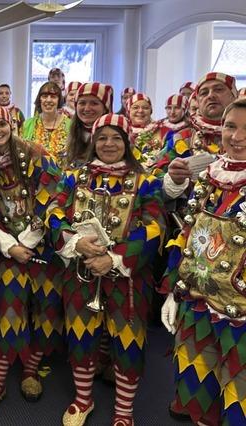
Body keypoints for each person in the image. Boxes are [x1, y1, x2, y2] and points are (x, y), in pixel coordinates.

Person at [48, 113, 166, 426]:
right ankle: (83, 400)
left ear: (127, 142)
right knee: (81, 337)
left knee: (128, 343)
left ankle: (124, 412)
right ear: (93, 141)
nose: (109, 144)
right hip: (81, 273)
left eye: (116, 138)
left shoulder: (147, 181)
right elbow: (54, 212)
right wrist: (74, 242)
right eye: (102, 138)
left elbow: (156, 227)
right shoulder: (75, 176)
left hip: (128, 280)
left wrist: (114, 258)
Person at [160, 98, 246, 425]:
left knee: (238, 402)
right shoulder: (211, 175)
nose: (236, 137)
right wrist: (173, 289)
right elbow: (190, 234)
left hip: (241, 317)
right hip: (197, 307)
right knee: (199, 393)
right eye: (230, 126)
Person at [0, 105, 63, 414]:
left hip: (43, 247)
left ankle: (30, 370)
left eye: (1, 123)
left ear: (12, 124)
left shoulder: (36, 152)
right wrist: (10, 246)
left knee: (47, 309)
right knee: (9, 310)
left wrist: (29, 241)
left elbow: (51, 199)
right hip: (10, 249)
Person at [157, 72, 237, 198]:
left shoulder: (242, 137)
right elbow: (154, 182)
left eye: (218, 89)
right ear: (198, 101)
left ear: (234, 97)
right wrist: (173, 180)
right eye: (204, 93)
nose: (211, 95)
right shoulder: (182, 138)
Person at [21, 82, 71, 167]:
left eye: (53, 97)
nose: (48, 100)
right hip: (33, 178)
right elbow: (21, 153)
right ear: (39, 99)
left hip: (64, 178)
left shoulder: (70, 125)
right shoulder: (27, 124)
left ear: (59, 100)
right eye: (44, 96)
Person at [66, 82, 113, 168]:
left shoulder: (114, 135)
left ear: (105, 108)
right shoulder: (72, 131)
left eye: (94, 103)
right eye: (82, 103)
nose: (87, 108)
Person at [126, 93, 162, 167]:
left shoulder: (161, 130)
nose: (140, 111)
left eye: (145, 108)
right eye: (135, 107)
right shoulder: (122, 131)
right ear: (128, 110)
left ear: (151, 111)